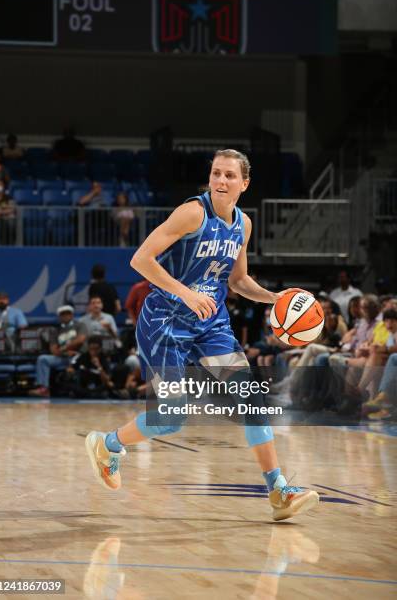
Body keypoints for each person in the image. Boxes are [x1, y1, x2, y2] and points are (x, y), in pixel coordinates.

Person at [86, 148, 319, 521]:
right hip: (165, 321)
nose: (221, 181)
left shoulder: (243, 224)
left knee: (250, 401)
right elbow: (140, 259)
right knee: (173, 415)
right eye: (216, 174)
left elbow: (239, 281)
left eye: (229, 175)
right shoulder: (193, 212)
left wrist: (275, 298)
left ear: (245, 183)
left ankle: (278, 490)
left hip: (211, 323)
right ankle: (107, 444)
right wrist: (187, 293)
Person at [29, 305, 86, 397]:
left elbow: (80, 340)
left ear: (72, 315)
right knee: (43, 359)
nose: (66, 316)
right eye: (63, 314)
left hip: (79, 356)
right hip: (63, 358)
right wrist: (65, 352)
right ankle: (44, 389)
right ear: (59, 317)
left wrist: (64, 348)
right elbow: (53, 350)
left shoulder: (80, 325)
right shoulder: (55, 330)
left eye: (68, 313)